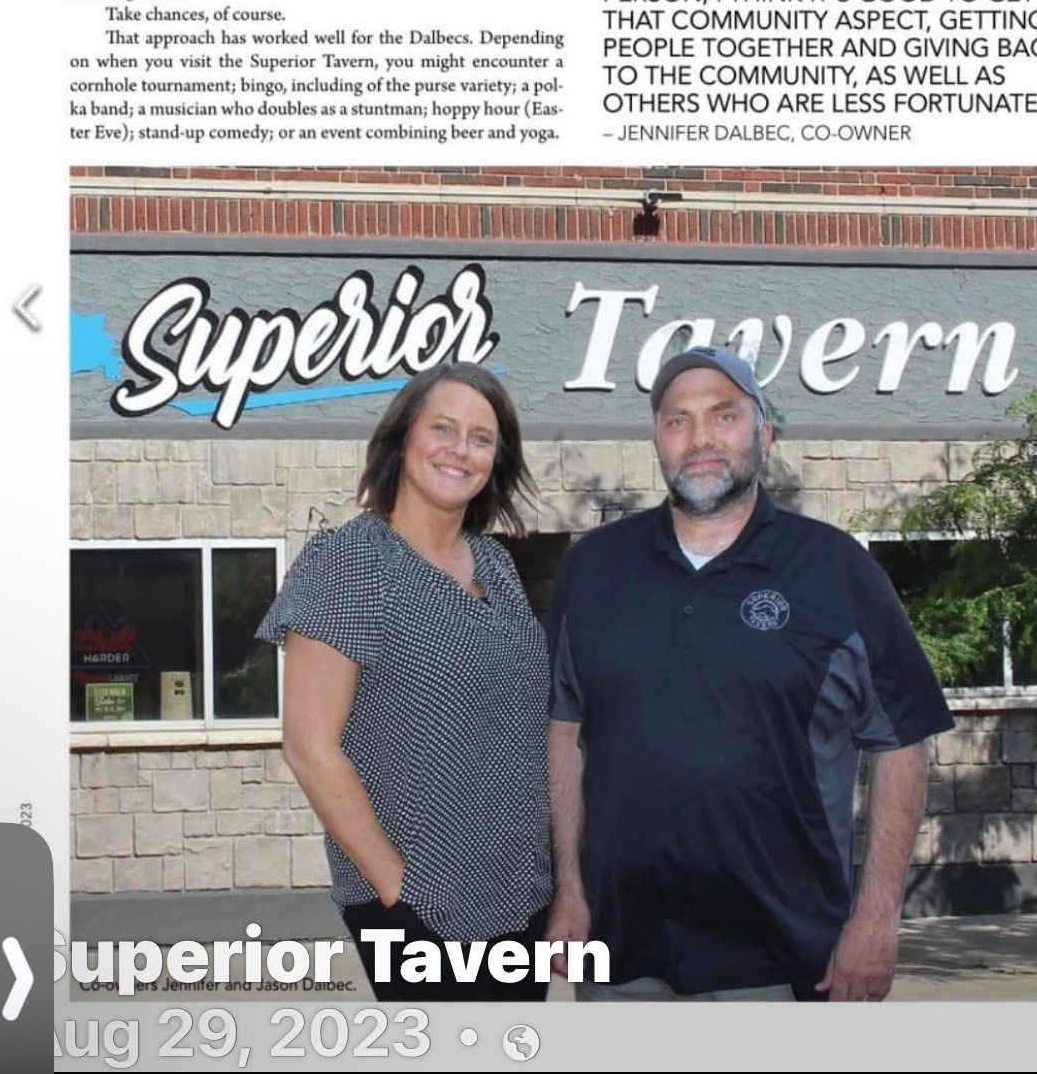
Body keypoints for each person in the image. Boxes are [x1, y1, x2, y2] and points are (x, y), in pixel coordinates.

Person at [545, 345, 954, 1003]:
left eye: (724, 415)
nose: (700, 436)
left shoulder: (836, 571)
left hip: (782, 957)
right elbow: (565, 729)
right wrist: (569, 890)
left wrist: (876, 919)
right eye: (677, 419)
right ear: (656, 440)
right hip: (619, 952)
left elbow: (901, 741)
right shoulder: (594, 569)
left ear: (763, 432)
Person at [257, 362, 552, 1002]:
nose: (460, 449)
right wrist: (399, 889)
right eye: (442, 428)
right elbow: (309, 747)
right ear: (403, 438)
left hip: (516, 897)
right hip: (418, 909)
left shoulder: (497, 565)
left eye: (481, 437)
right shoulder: (349, 562)